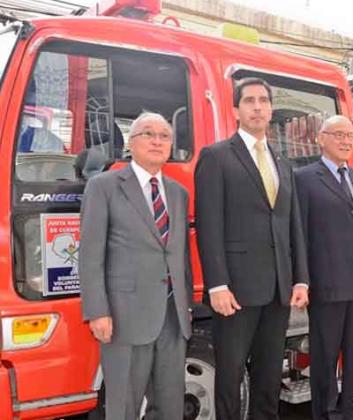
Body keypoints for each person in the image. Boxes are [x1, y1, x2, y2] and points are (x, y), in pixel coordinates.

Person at [194, 77, 309, 420]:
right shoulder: (216, 157)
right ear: (235, 110)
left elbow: (293, 225)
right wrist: (217, 284)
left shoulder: (281, 162)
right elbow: (209, 225)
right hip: (235, 290)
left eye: (263, 100)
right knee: (229, 376)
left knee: (269, 376)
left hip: (277, 290)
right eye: (249, 101)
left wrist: (300, 279)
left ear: (271, 109)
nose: (257, 106)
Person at [79, 112, 192, 419]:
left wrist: (187, 308)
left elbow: (178, 255)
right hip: (123, 316)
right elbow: (90, 253)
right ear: (132, 142)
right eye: (148, 134)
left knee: (170, 407)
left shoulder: (179, 193)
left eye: (164, 136)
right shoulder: (104, 186)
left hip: (172, 317)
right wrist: (97, 311)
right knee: (124, 407)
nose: (157, 141)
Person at [295, 115, 353, 420]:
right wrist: (302, 280)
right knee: (325, 359)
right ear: (321, 138)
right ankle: (326, 414)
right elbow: (299, 233)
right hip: (326, 285)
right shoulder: (303, 178)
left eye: (350, 136)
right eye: (339, 135)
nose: (345, 141)